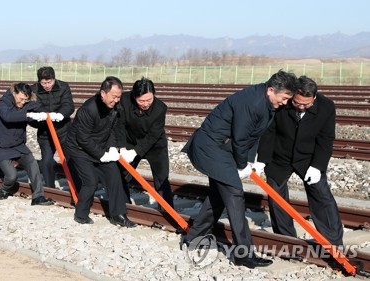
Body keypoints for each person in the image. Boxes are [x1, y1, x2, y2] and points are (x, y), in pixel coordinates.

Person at [180, 70, 299, 268]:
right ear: (271, 90)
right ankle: (243, 253)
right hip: (212, 147)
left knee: (219, 195)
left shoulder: (265, 101)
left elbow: (254, 135)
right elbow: (242, 138)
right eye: (284, 98)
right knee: (235, 196)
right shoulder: (253, 103)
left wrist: (249, 162)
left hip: (223, 148)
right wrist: (241, 165)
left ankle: (192, 237)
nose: (285, 102)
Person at [254, 76, 343, 246]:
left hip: (308, 158)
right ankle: (286, 239)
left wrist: (317, 166)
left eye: (306, 104)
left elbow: (326, 139)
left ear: (314, 98)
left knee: (322, 196)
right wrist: (262, 160)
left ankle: (333, 242)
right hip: (280, 156)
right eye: (297, 103)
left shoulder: (326, 106)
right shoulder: (282, 103)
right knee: (277, 198)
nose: (301, 107)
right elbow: (269, 132)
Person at [65, 76, 135, 227]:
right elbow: (83, 138)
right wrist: (102, 155)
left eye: (119, 97)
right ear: (103, 93)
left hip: (99, 145)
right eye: (114, 96)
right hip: (78, 149)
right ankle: (81, 215)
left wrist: (114, 148)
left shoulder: (115, 106)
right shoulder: (89, 109)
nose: (116, 100)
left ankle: (118, 215)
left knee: (114, 175)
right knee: (91, 181)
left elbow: (112, 129)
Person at [0, 82, 53, 206]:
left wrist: (45, 114)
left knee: (32, 164)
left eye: (26, 100)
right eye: (21, 99)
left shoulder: (26, 101)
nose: (23, 102)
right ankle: (4, 189)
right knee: (12, 176)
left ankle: (38, 197)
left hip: (18, 143)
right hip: (1, 144)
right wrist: (28, 115)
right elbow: (8, 116)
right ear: (14, 94)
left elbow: (38, 106)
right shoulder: (4, 102)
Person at [115, 77, 174, 208]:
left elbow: (153, 135)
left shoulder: (160, 108)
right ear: (134, 97)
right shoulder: (124, 100)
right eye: (141, 101)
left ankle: (167, 210)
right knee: (121, 174)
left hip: (155, 146)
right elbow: (119, 124)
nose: (146, 104)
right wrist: (123, 148)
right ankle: (123, 205)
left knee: (162, 178)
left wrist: (136, 152)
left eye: (149, 100)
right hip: (130, 141)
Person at [29, 66, 74, 188]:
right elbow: (33, 109)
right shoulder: (33, 90)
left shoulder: (63, 86)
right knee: (47, 162)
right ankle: (50, 188)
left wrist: (59, 115)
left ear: (54, 79)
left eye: (49, 82)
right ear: (39, 81)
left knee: (71, 160)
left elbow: (69, 105)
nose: (47, 85)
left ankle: (76, 187)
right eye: (44, 83)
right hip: (45, 133)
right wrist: (43, 117)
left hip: (64, 131)